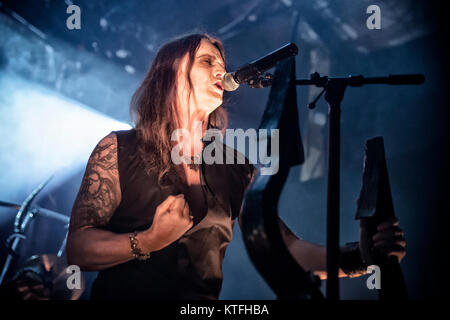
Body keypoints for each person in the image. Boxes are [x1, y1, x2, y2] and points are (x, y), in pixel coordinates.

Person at [66, 33, 406, 300]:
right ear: (171, 72)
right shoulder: (119, 147)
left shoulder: (236, 167)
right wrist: (148, 241)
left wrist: (363, 257)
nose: (221, 70)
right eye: (206, 60)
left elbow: (284, 248)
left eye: (222, 62)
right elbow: (79, 249)